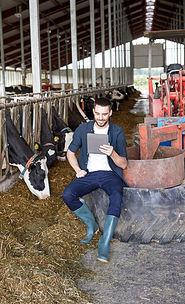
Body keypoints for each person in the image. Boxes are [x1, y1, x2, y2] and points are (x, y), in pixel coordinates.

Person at [62, 97, 127, 263]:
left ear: (110, 113)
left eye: (104, 114)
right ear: (93, 112)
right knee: (68, 194)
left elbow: (124, 164)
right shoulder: (83, 129)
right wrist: (78, 170)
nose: (100, 117)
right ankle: (91, 224)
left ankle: (105, 241)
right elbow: (70, 153)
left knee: (117, 195)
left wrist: (112, 153)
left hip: (109, 174)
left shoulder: (117, 132)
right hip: (89, 173)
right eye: (97, 113)